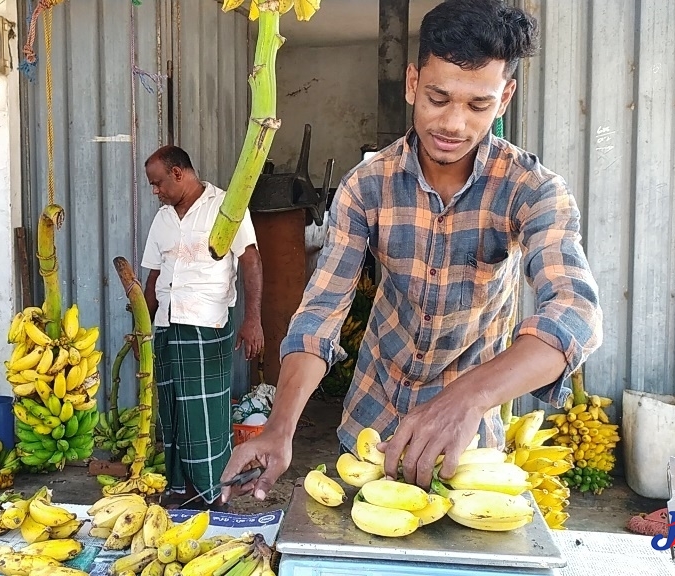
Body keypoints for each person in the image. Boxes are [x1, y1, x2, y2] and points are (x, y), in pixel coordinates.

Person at [220, 0, 603, 503]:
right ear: (411, 83)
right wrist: (280, 425)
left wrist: (466, 399)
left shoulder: (531, 190)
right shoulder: (366, 188)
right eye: (437, 98)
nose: (454, 124)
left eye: (477, 106)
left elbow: (575, 312)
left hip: (465, 446)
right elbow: (319, 316)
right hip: (367, 429)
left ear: (505, 97)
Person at [140, 145, 264, 510]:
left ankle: (213, 493)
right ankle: (180, 490)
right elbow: (153, 278)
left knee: (204, 419)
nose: (155, 191)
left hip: (205, 326)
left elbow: (252, 262)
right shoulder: (163, 219)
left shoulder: (225, 207)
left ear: (179, 173)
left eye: (158, 182)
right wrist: (144, 330)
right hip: (166, 325)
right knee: (174, 413)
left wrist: (252, 318)